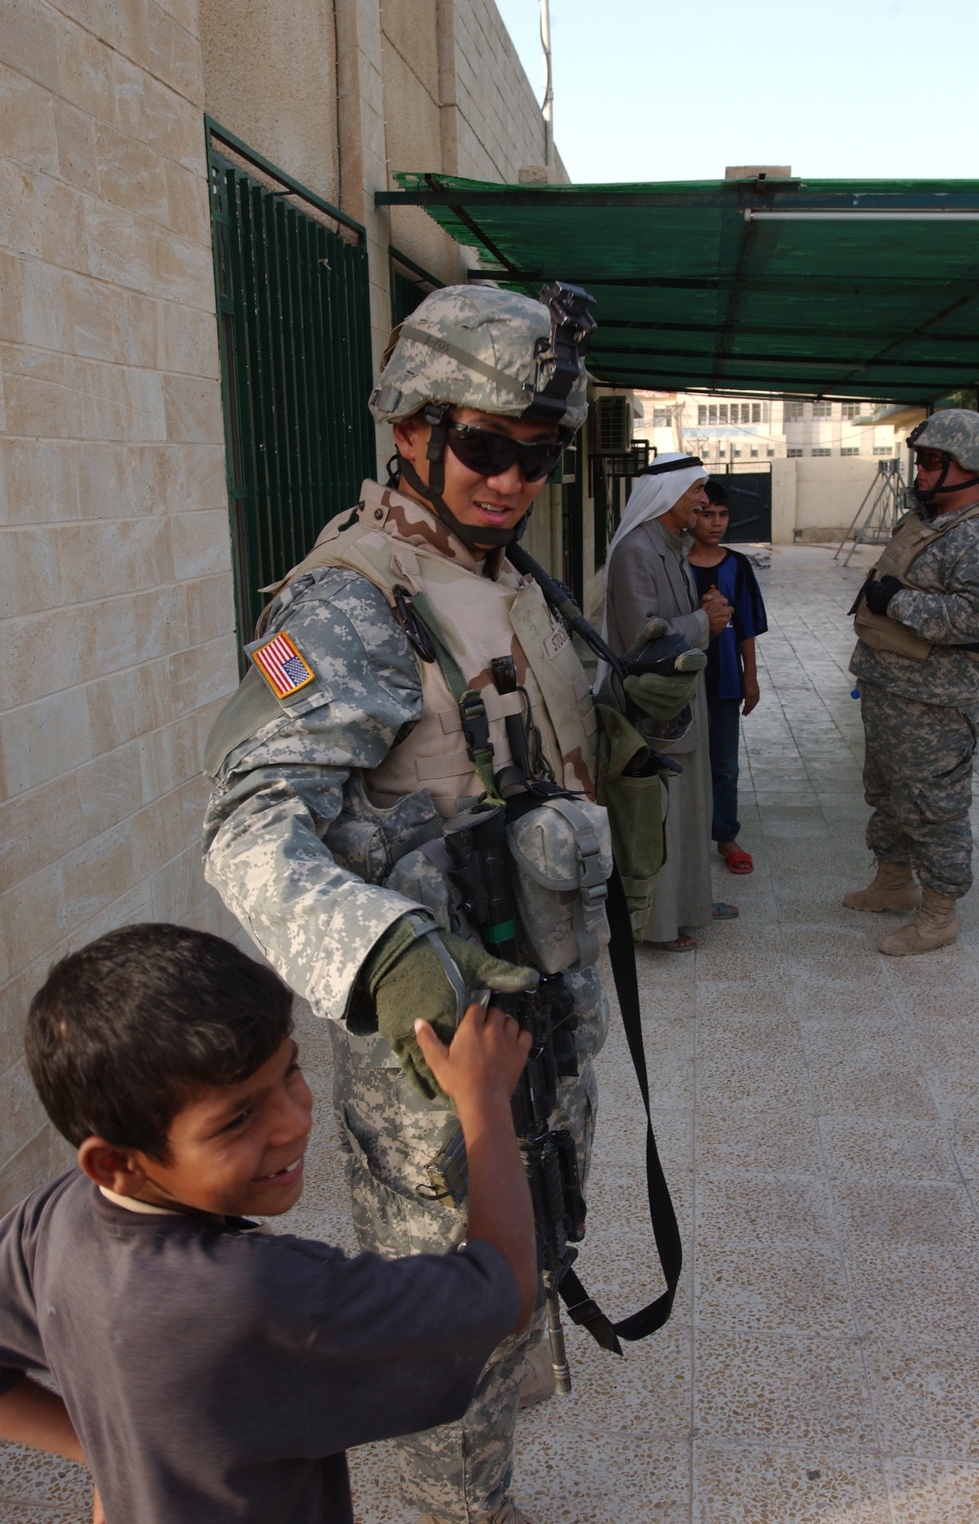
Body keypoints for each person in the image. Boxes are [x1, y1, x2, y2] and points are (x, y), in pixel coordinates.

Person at [201, 284, 694, 1524]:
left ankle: (490, 1434)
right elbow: (249, 826)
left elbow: (524, 754)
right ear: (409, 426)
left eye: (535, 455)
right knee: (438, 1298)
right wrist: (376, 950)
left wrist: (628, 718)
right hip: (439, 1035)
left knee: (534, 1234)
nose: (511, 478)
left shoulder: (504, 574)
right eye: (483, 445)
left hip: (543, 1000)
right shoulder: (342, 604)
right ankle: (449, 1506)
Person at [0, 923, 536, 1524]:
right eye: (237, 1117)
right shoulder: (264, 1298)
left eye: (291, 1071)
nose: (294, 1120)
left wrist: (127, 1464)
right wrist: (484, 1100)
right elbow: (506, 1289)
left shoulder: (55, 1219)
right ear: (116, 1162)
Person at [845, 409, 979, 955]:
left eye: (933, 463)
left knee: (932, 804)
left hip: (935, 702)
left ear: (967, 466)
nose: (920, 473)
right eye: (920, 461)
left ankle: (938, 913)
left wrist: (896, 600)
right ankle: (894, 882)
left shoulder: (972, 536)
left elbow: (972, 616)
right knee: (887, 793)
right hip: (892, 690)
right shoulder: (927, 521)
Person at [599, 454, 737, 949]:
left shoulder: (668, 545)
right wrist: (705, 623)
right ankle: (656, 927)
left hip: (678, 698)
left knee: (688, 809)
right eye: (695, 490)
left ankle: (689, 906)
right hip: (652, 704)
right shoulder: (638, 549)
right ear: (668, 493)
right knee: (660, 818)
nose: (703, 499)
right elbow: (642, 637)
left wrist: (702, 613)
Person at [687, 478, 768, 874]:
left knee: (725, 763)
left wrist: (749, 677)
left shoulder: (737, 565)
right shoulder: (675, 563)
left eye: (722, 515)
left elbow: (748, 626)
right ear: (691, 515)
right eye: (706, 514)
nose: (715, 523)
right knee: (685, 759)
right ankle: (684, 833)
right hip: (682, 679)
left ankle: (726, 834)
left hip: (724, 680)